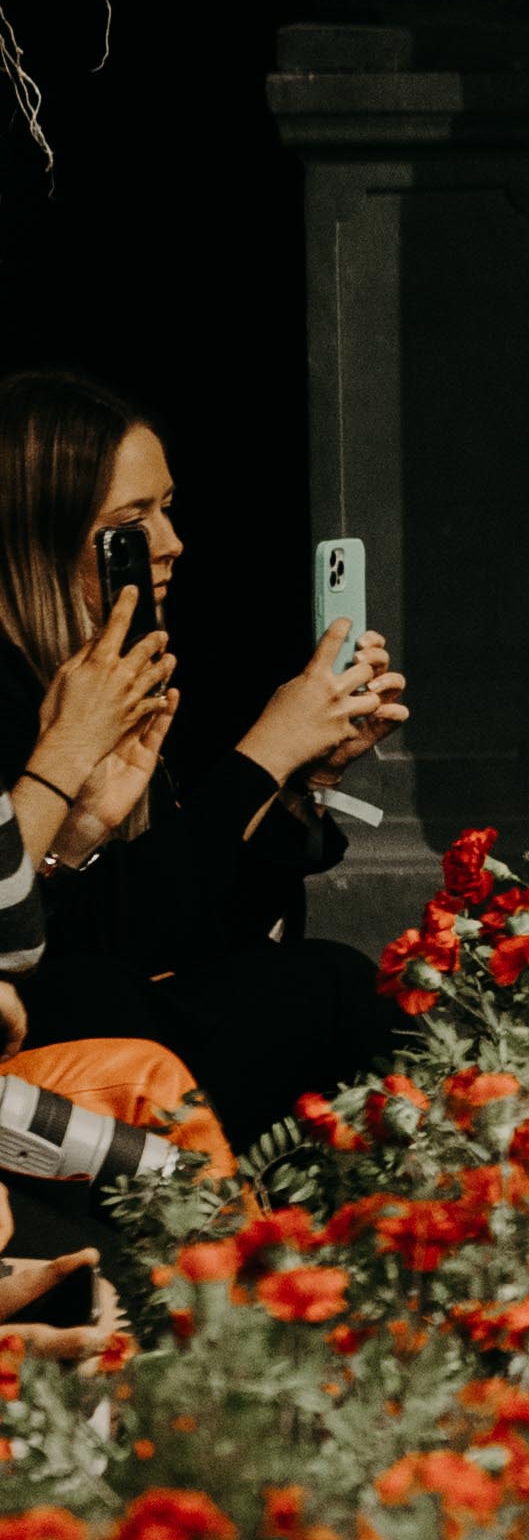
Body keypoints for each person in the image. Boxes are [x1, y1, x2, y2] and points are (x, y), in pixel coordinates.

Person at [0, 370, 410, 1145]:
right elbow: (97, 952)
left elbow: (185, 923)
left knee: (323, 981)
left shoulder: (108, 675)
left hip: (107, 1027)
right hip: (54, 1060)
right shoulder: (29, 696)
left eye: (168, 507)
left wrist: (303, 777)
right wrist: (262, 751)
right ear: (42, 533)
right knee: (327, 986)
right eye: (134, 520)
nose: (171, 543)